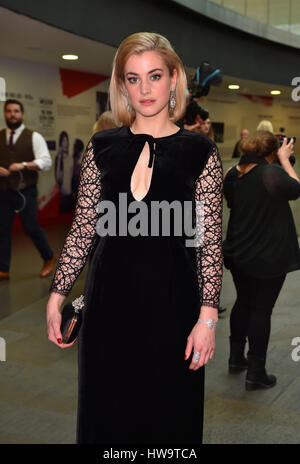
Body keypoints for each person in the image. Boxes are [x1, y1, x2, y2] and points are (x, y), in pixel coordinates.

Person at [46, 32, 223, 444]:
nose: (144, 89)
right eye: (133, 78)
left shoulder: (200, 152)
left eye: (155, 76)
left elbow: (209, 241)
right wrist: (57, 297)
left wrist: (207, 318)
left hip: (175, 309)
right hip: (107, 306)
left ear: (174, 78)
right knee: (106, 416)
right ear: (121, 84)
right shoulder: (102, 146)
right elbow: (84, 228)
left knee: (168, 423)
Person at [223, 130, 300, 390]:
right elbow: (295, 189)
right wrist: (286, 160)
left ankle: (235, 358)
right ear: (270, 152)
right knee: (261, 310)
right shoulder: (271, 173)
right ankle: (256, 372)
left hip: (238, 250)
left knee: (243, 302)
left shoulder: (233, 174)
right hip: (267, 254)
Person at [0, 99, 55, 280]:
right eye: (9, 111)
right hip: (4, 190)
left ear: (22, 114)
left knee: (31, 227)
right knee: (2, 229)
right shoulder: (0, 136)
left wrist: (24, 165)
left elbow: (46, 162)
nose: (12, 114)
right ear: (5, 114)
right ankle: (3, 268)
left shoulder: (33, 137)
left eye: (16, 111)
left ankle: (48, 258)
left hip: (26, 191)